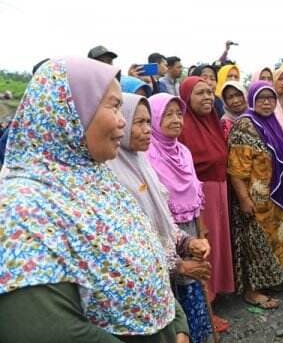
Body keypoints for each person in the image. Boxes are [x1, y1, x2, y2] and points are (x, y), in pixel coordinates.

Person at [0, 58, 186, 342]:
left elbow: (149, 259)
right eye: (113, 105)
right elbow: (46, 330)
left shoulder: (98, 178)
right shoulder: (22, 206)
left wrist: (177, 325)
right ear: (70, 113)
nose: (123, 118)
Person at [107, 93, 213, 343]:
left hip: (162, 270)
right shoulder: (111, 172)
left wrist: (188, 242)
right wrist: (179, 266)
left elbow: (161, 219)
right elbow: (130, 245)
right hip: (140, 288)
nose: (147, 130)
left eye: (147, 122)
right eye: (139, 122)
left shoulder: (140, 162)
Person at [145, 93, 214, 335]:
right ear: (154, 118)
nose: (176, 120)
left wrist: (201, 229)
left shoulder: (183, 151)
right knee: (172, 291)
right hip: (161, 233)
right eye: (167, 114)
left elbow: (195, 193)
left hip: (189, 232)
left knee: (193, 286)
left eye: (178, 114)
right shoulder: (146, 156)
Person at [228, 81, 283, 309]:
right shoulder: (245, 126)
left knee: (277, 237)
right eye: (261, 98)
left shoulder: (273, 123)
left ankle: (273, 277)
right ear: (252, 100)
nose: (267, 103)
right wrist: (244, 200)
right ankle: (252, 290)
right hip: (255, 199)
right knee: (255, 243)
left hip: (275, 196)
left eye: (270, 98)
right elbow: (236, 170)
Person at [177, 78, 235, 332]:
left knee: (219, 243)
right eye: (200, 93)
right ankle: (206, 303)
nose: (207, 98)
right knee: (203, 245)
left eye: (210, 92)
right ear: (186, 98)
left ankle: (217, 293)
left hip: (219, 191)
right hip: (200, 198)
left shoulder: (213, 122)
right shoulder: (183, 127)